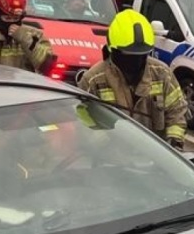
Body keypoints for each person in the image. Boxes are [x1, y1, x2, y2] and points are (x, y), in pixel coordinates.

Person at [77, 9, 188, 150]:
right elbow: (83, 124)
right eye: (129, 55)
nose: (136, 61)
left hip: (156, 159)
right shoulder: (93, 80)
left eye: (142, 55)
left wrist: (174, 142)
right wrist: (102, 143)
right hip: (111, 161)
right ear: (113, 50)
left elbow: (177, 112)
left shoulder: (162, 74)